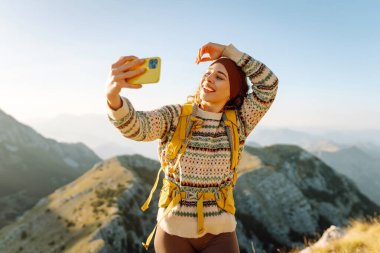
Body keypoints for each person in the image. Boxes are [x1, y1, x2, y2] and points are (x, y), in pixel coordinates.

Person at [105, 42, 279, 253]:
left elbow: (268, 86)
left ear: (233, 92)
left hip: (220, 234)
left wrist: (228, 53)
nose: (209, 78)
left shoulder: (239, 122)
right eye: (208, 73)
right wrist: (113, 99)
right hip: (173, 235)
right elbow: (138, 128)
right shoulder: (176, 116)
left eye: (219, 77)